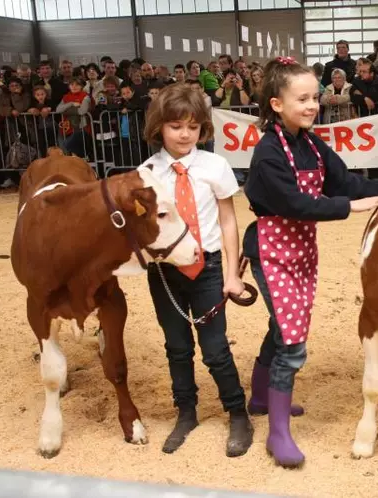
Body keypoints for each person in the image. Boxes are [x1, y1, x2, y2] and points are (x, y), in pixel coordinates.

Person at [241, 56, 378, 469]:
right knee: (293, 339)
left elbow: (344, 180)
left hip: (301, 249)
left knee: (283, 324)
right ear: (276, 103)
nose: (312, 105)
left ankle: (262, 396)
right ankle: (277, 432)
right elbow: (294, 203)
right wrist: (349, 207)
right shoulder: (268, 153)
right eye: (302, 99)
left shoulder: (311, 143)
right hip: (271, 250)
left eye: (314, 98)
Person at [142, 83, 254, 458]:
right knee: (176, 347)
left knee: (215, 349)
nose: (185, 134)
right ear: (160, 127)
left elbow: (227, 221)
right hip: (164, 274)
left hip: (206, 268)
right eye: (175, 126)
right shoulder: (146, 173)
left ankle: (237, 412)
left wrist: (232, 273)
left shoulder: (215, 166)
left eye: (192, 126)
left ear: (203, 129)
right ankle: (185, 412)